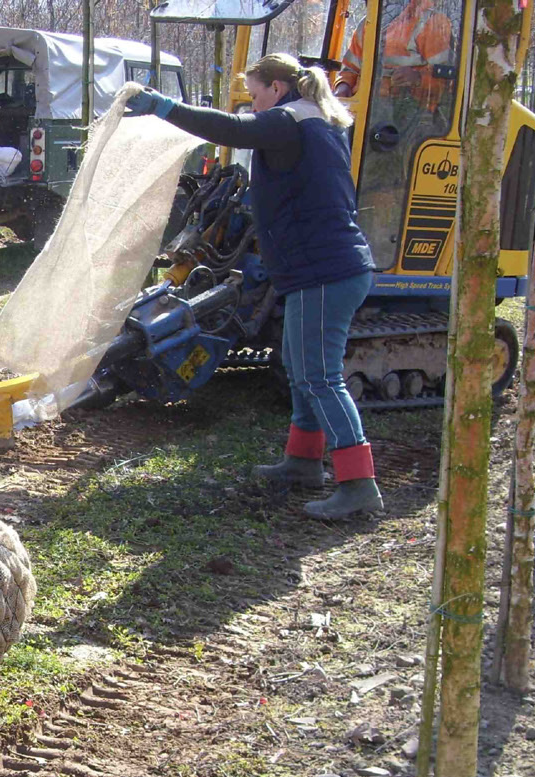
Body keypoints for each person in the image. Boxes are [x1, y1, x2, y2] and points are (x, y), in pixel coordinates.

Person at [125, 54, 382, 520]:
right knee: (305, 372)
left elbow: (232, 129)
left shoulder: (289, 122)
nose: (254, 102)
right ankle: (303, 463)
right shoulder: (314, 123)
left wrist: (165, 107)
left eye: (256, 91)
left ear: (279, 88)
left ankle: (359, 482)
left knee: (319, 377)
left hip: (325, 272)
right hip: (320, 270)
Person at [333, 0, 454, 109]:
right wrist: (343, 86)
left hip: (410, 112)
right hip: (363, 108)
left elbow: (447, 79)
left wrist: (417, 78)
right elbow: (350, 68)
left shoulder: (431, 23)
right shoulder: (367, 23)